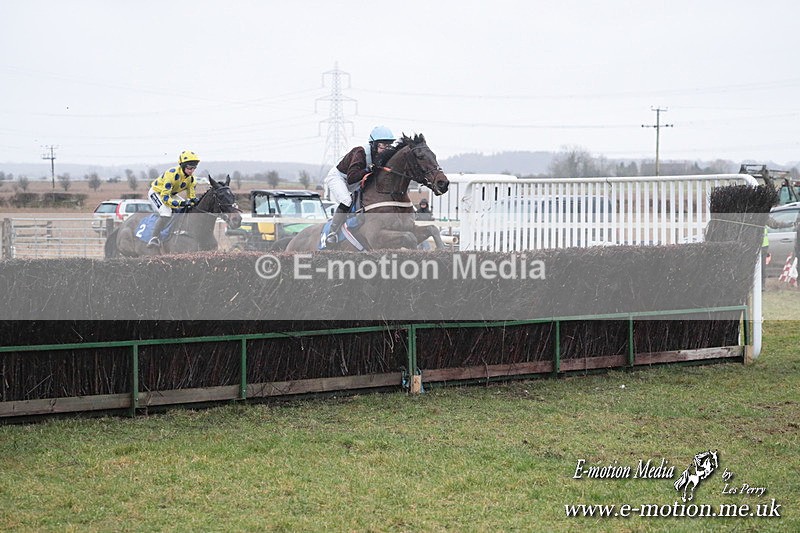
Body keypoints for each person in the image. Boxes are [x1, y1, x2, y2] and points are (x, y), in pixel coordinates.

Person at [323, 126, 395, 245]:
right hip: (339, 177)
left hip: (355, 179)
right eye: (383, 145)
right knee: (346, 200)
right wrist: (368, 169)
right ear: (374, 144)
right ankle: (332, 233)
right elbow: (351, 178)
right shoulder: (360, 152)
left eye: (389, 145)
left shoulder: (380, 156)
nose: (386, 149)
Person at [146, 150, 201, 247]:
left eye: (194, 168)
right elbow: (166, 199)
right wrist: (182, 204)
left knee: (187, 209)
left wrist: (195, 202)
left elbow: (191, 198)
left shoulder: (191, 179)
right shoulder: (171, 175)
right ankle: (154, 237)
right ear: (183, 166)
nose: (191, 171)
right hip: (157, 193)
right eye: (189, 168)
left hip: (171, 193)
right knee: (166, 213)